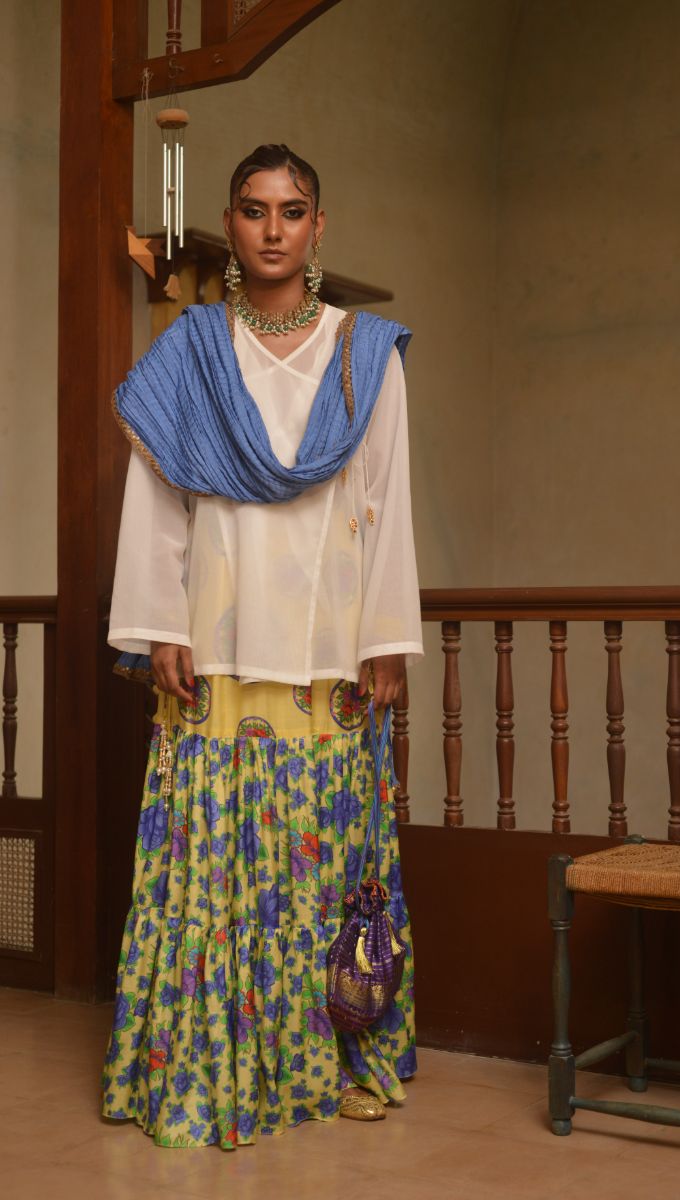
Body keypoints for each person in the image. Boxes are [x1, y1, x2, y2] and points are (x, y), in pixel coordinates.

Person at [100, 143, 423, 1148]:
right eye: (253, 209)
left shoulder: (364, 353)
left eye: (291, 210)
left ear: (317, 227)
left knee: (325, 868)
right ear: (232, 224)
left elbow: (385, 502)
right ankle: (207, 1061)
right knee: (216, 867)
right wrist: (159, 622)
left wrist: (384, 638)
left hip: (328, 649)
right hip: (219, 641)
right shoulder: (192, 350)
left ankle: (331, 1059)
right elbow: (158, 499)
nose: (273, 228)